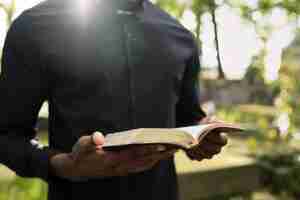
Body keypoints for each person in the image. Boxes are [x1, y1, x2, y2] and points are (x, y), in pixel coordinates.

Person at [0, 0, 228, 199]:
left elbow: (188, 121)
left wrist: (203, 137)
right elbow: (6, 135)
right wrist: (63, 165)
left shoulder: (182, 37)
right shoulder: (35, 27)